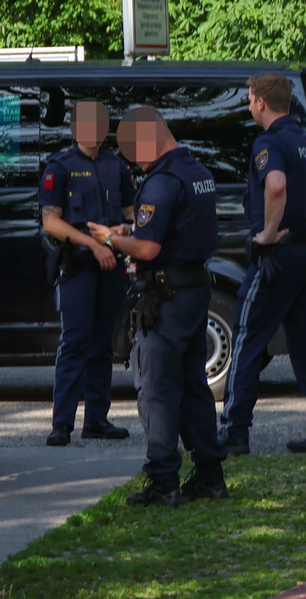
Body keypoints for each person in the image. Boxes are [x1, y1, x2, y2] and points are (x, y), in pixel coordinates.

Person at [89, 107, 226, 506]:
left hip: (166, 297)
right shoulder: (198, 173)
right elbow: (171, 229)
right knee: (194, 386)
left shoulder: (161, 181)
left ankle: (163, 480)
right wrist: (131, 230)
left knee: (157, 389)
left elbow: (149, 248)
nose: (132, 159)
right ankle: (209, 474)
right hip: (195, 289)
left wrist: (112, 239)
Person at [218, 73, 306, 454]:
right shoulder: (305, 142)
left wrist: (271, 233)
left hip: (276, 258)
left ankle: (234, 430)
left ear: (260, 102)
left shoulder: (269, 142)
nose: (248, 104)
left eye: (249, 98)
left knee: (246, 338)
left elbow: (275, 185)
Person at [39, 99, 135, 446]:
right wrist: (93, 244)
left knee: (103, 344)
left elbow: (131, 212)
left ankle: (96, 420)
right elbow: (51, 221)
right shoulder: (60, 165)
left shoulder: (116, 166)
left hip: (111, 267)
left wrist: (126, 230)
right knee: (75, 343)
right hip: (77, 265)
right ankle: (60, 424)